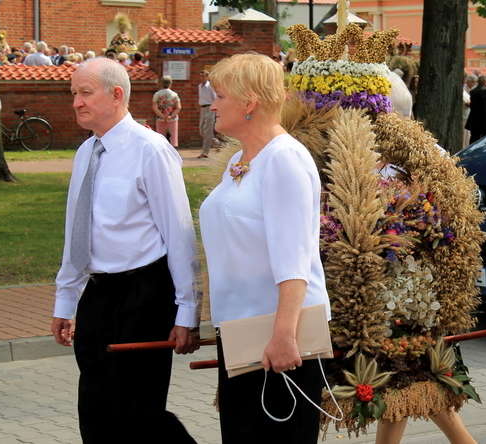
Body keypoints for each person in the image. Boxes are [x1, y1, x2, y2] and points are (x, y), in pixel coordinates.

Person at [50, 57, 199, 444]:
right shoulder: (86, 153)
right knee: (95, 411)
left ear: (117, 95)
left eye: (85, 93)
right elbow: (76, 231)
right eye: (73, 94)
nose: (76, 103)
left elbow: (178, 232)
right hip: (98, 295)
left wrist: (187, 311)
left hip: (145, 294)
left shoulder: (151, 150)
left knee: (139, 415)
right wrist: (65, 302)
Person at [199, 53, 331, 444]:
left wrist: (284, 335)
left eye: (219, 95)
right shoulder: (241, 160)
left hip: (276, 334)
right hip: (241, 330)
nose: (212, 104)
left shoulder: (284, 159)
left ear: (250, 102)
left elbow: (294, 258)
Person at [465, 74, 486, 143]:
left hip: (474, 117)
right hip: (485, 117)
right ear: (485, 82)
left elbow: (472, 105)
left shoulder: (473, 92)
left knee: (474, 137)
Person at [153, 75, 182, 148]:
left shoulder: (157, 94)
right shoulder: (174, 95)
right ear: (170, 84)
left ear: (161, 83)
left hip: (160, 118)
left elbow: (154, 107)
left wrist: (162, 116)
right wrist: (170, 116)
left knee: (160, 138)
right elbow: (178, 107)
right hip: (172, 119)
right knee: (173, 138)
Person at [197, 69, 217, 158]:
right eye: (200, 76)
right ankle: (217, 143)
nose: (201, 78)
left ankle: (205, 152)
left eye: (203, 76)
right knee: (201, 130)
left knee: (208, 130)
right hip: (202, 108)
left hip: (210, 108)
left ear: (207, 77)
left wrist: (214, 110)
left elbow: (215, 98)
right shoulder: (199, 86)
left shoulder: (210, 87)